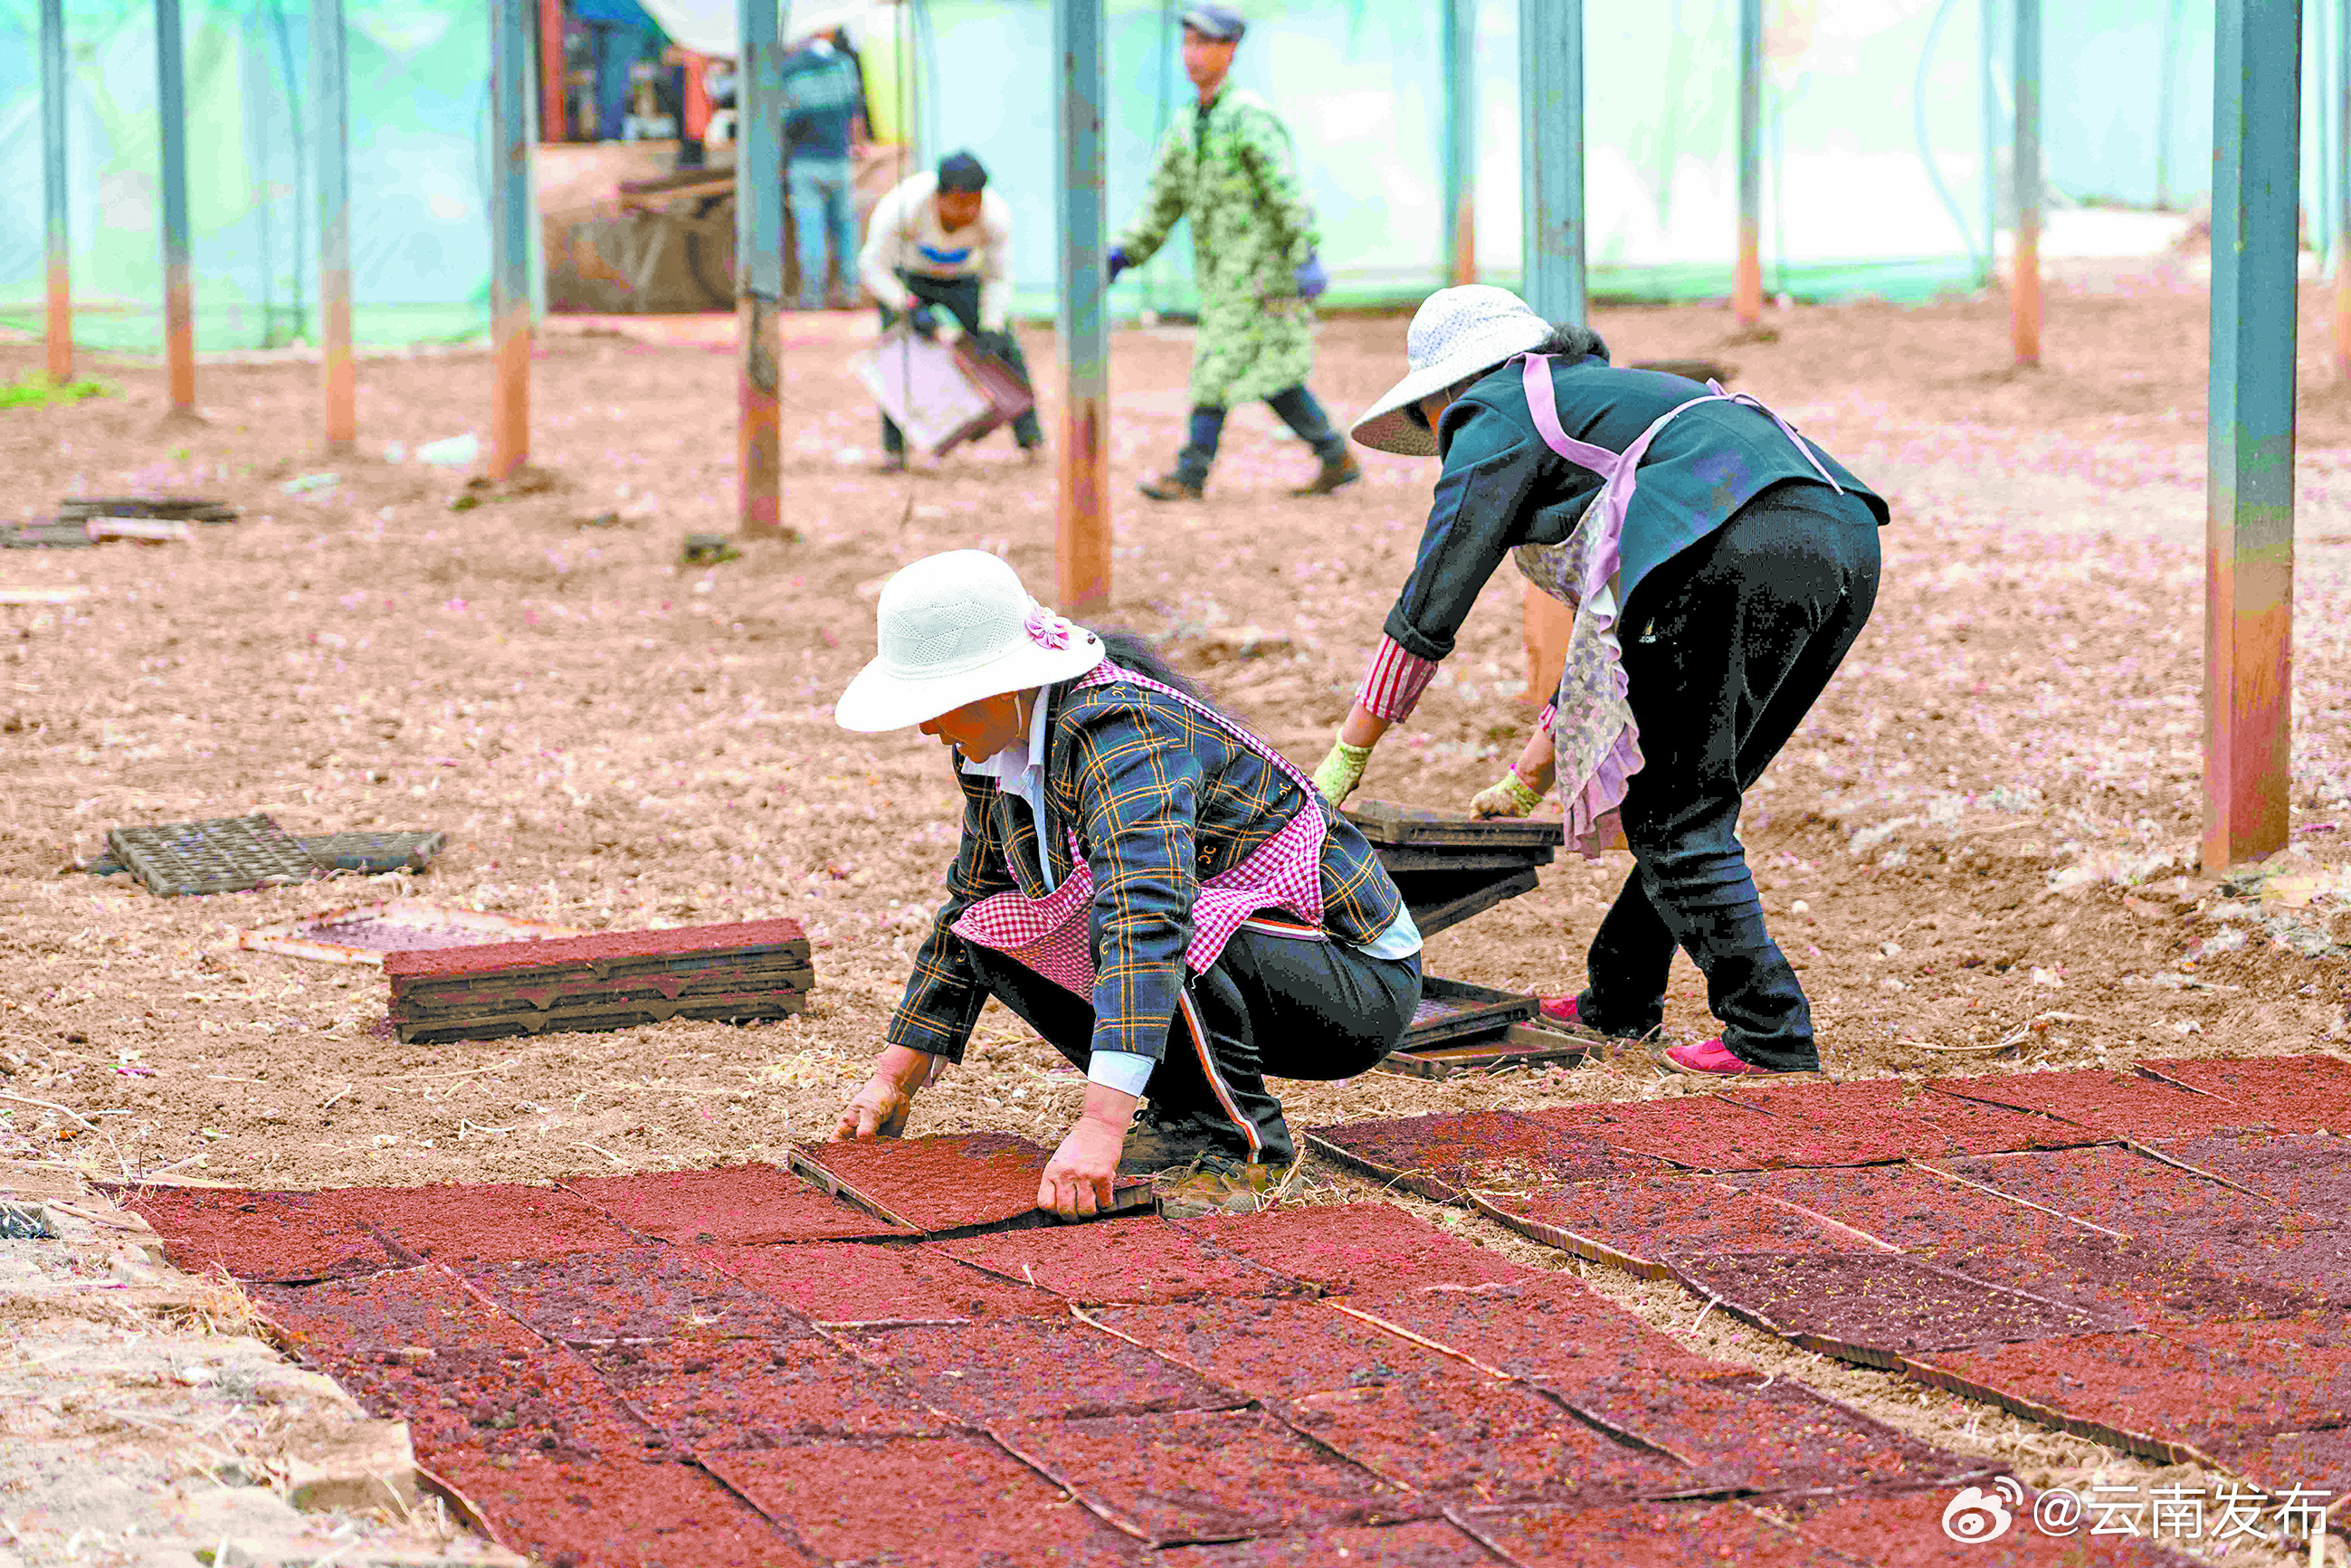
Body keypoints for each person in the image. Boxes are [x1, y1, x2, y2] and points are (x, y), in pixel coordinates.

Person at [1315, 286, 1889, 1079]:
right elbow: (1613, 638)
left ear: (1449, 390)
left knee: (1674, 809)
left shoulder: (1493, 411)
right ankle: (1620, 996)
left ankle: (1770, 1033)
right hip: (1842, 531)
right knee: (1691, 788)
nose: (1441, 436)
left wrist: (1348, 754)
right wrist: (1527, 776)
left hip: (1733, 542)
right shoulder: (1601, 406)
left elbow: (1432, 598)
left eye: (1430, 418)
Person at [830, 551, 1423, 1217]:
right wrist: (894, 1079)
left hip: (1352, 977)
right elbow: (972, 900)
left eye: (936, 705)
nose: (926, 726)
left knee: (1135, 922)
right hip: (1246, 956)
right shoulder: (991, 748)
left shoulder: (1121, 735)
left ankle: (1245, 1148)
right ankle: (1186, 1115)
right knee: (990, 926)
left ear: (1000, 687)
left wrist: (1100, 1124)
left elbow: (1149, 916)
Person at [1106, 4, 1360, 501]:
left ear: (1230, 50)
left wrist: (1306, 253)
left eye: (1205, 43)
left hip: (1265, 276)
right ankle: (1335, 455)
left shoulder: (1249, 118)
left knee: (1216, 366)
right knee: (1273, 375)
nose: (1192, 54)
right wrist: (1124, 254)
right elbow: (1162, 205)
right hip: (1222, 278)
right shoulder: (1185, 127)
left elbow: (1286, 191)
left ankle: (1190, 474)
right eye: (1188, 43)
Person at [858, 152, 1044, 470]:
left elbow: (998, 277)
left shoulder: (996, 216)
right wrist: (907, 305)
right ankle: (895, 450)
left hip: (963, 279)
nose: (970, 211)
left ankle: (1031, 439)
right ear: (939, 196)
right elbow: (872, 266)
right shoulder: (902, 207)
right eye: (960, 203)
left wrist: (991, 325)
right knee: (898, 354)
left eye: (975, 203)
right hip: (909, 278)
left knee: (1005, 348)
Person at [779, 25, 866, 309]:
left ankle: (813, 298)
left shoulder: (790, 69)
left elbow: (784, 120)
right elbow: (855, 110)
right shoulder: (843, 65)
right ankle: (850, 292)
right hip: (839, 162)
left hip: (805, 163)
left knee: (811, 233)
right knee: (846, 230)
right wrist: (857, 144)